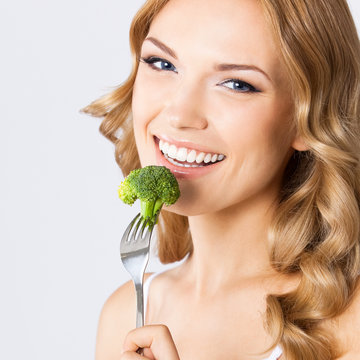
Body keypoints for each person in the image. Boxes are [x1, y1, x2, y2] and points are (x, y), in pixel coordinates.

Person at [83, 0, 360, 359]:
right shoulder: (125, 314)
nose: (180, 114)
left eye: (237, 84)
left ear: (308, 118)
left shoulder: (349, 324)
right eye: (162, 63)